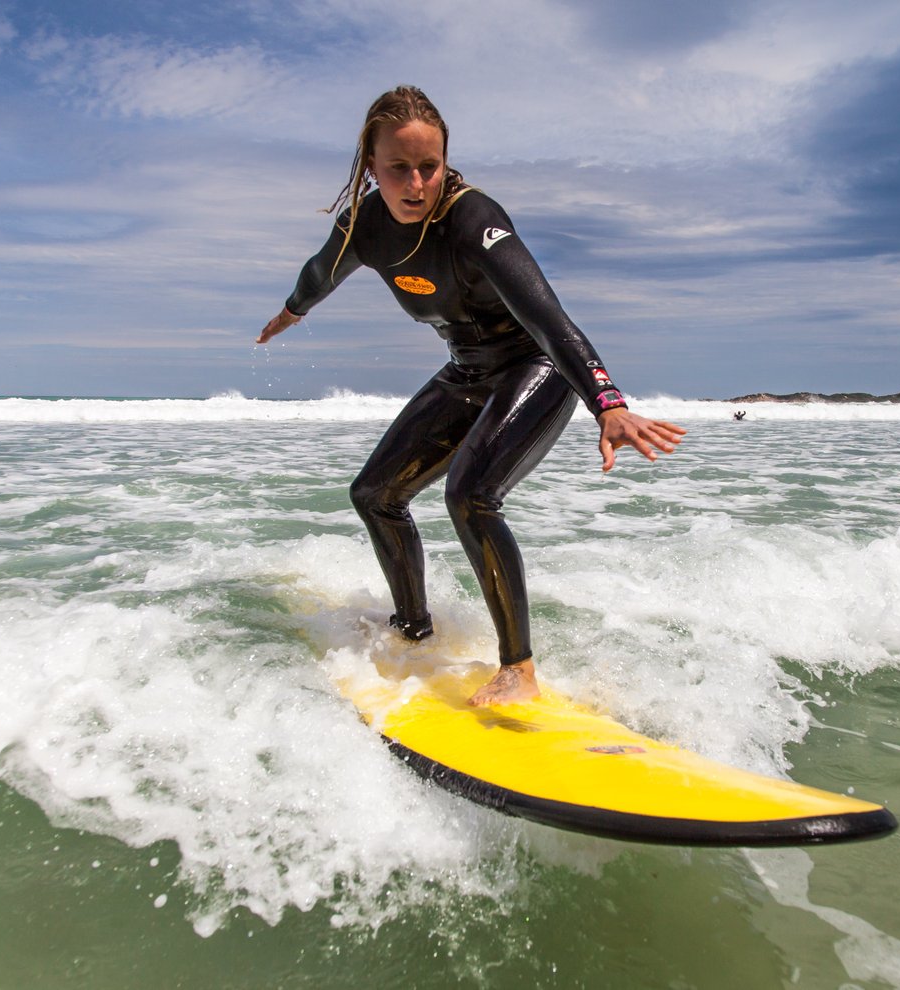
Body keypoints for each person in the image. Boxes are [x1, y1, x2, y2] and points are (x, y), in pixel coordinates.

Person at [257, 86, 685, 706]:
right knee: (375, 494)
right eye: (398, 168)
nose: (416, 182)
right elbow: (321, 270)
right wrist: (292, 311)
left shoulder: (473, 219)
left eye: (428, 166)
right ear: (370, 166)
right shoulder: (364, 226)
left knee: (471, 494)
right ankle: (412, 628)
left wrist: (607, 403)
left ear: (445, 161)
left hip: (536, 367)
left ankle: (519, 670)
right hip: (469, 369)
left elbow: (547, 318)